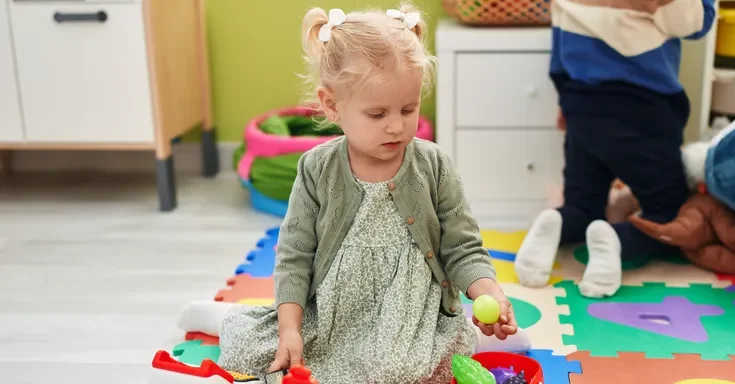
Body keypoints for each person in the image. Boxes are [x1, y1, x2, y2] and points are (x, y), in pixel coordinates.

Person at [176, 4, 518, 383]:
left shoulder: (432, 164)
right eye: (377, 114)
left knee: (397, 370)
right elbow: (295, 256)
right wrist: (290, 327)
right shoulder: (316, 167)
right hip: (335, 308)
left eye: (408, 108)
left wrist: (488, 290)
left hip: (409, 311)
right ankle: (226, 318)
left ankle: (471, 338)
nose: (396, 126)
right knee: (266, 349)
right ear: (331, 105)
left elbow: (462, 247)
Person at [514, 0, 717, 298]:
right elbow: (695, 21)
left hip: (582, 106)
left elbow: (559, 50)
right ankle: (617, 240)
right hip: (644, 112)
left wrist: (566, 102)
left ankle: (555, 222)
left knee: (582, 206)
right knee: (671, 214)